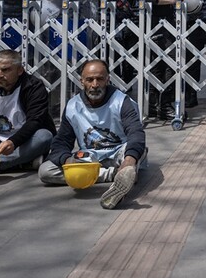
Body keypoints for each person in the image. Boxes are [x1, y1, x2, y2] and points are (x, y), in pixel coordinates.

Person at [38, 60, 146, 210]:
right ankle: (116, 175)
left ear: (108, 79)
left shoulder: (122, 101)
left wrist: (129, 159)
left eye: (100, 79)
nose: (95, 85)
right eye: (89, 80)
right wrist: (68, 160)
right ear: (81, 81)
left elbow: (136, 133)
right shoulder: (72, 106)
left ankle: (125, 172)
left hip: (119, 152)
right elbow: (61, 142)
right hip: (90, 159)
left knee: (134, 151)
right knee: (46, 171)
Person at [137, 0, 186, 118]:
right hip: (154, 25)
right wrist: (171, 0)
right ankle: (159, 106)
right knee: (160, 66)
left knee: (166, 65)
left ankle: (160, 106)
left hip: (167, 25)